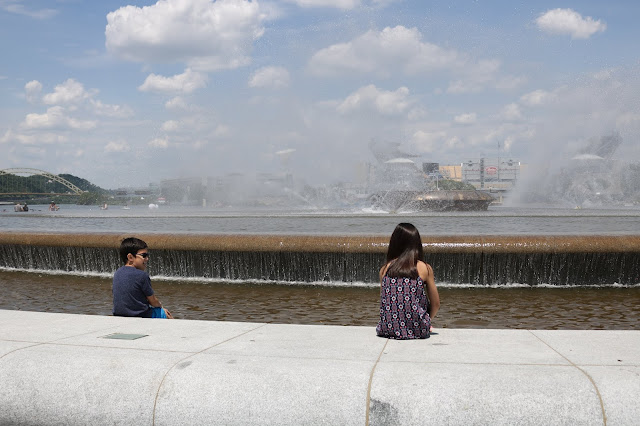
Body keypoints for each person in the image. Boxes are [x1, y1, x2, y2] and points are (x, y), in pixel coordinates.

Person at [376, 223, 439, 339]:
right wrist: (426, 321)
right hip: (418, 330)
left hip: (387, 329)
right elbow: (436, 304)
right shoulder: (424, 268)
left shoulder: (384, 269)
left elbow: (385, 301)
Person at [112, 237, 173, 319]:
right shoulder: (142, 275)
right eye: (144, 255)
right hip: (140, 315)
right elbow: (153, 301)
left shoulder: (118, 273)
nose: (147, 259)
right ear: (130, 257)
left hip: (119, 314)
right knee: (166, 314)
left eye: (147, 255)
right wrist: (161, 307)